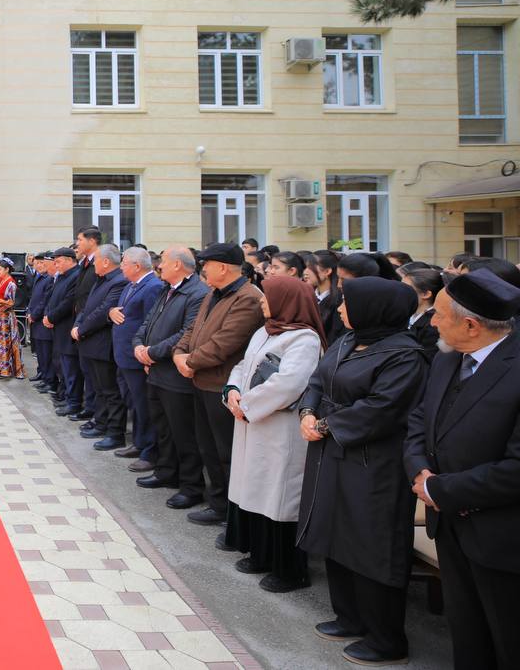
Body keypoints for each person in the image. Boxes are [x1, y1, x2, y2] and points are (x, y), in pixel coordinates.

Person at [296, 277, 427, 667]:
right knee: (336, 533)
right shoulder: (348, 341)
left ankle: (386, 638)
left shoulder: (405, 355)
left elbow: (382, 408)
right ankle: (348, 616)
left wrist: (323, 426)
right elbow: (317, 380)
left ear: (373, 309)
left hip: (373, 462)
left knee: (371, 543)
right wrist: (307, 411)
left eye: (347, 303)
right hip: (331, 454)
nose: (338, 309)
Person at [406, 270, 520, 670]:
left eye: (438, 315)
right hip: (450, 525)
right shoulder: (447, 359)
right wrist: (420, 471)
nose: (431, 322)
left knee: (507, 638)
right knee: (467, 633)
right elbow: (419, 421)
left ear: (470, 325)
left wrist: (441, 490)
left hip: (502, 537)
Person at [221, 276, 325, 593]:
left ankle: (289, 570)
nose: (262, 302)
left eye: (267, 297)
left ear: (287, 301)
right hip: (252, 421)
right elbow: (244, 365)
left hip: (279, 428)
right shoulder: (266, 330)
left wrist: (248, 405)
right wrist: (233, 391)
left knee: (278, 494)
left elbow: (289, 384)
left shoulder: (304, 340)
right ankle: (259, 554)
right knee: (254, 488)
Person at [172, 242, 266, 529]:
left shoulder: (247, 297)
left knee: (226, 451)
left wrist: (190, 362)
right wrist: (179, 353)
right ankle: (217, 503)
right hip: (202, 381)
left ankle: (231, 511)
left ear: (222, 267)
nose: (203, 270)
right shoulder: (213, 293)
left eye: (207, 265)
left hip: (223, 385)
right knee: (208, 447)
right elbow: (193, 330)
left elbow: (226, 342)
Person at [132, 247, 208, 505]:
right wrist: (139, 346)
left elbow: (187, 333)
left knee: (183, 433)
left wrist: (152, 352)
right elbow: (147, 322)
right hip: (156, 371)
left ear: (177, 265)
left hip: (176, 375)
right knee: (163, 427)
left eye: (163, 262)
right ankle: (166, 472)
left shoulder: (197, 293)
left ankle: (191, 486)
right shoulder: (168, 288)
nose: (158, 266)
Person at [110, 246, 165, 471]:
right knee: (134, 403)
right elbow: (123, 310)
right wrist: (111, 311)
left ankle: (150, 451)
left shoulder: (153, 286)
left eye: (124, 262)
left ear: (136, 265)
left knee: (144, 405)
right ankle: (139, 442)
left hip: (138, 357)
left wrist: (145, 354)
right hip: (124, 355)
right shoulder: (132, 285)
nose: (120, 266)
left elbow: (151, 324)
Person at [73, 244, 128, 449]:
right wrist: (78, 324)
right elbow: (88, 307)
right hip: (90, 341)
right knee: (99, 388)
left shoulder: (119, 281)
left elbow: (104, 311)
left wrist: (81, 329)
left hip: (103, 344)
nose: (93, 264)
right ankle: (101, 421)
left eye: (96, 260)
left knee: (110, 391)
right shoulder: (100, 279)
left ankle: (115, 432)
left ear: (106, 261)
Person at [62, 228, 103, 421]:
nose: (77, 243)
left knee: (96, 377)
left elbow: (95, 299)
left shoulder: (100, 263)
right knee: (86, 370)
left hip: (93, 326)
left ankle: (95, 412)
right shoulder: (85, 264)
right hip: (81, 323)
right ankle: (89, 408)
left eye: (79, 239)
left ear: (92, 241)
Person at [42, 248, 80, 410]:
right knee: (62, 366)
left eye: (58, 261)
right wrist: (48, 316)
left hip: (67, 328)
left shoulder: (75, 276)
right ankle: (65, 395)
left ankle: (73, 401)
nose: (55, 265)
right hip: (58, 328)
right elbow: (53, 300)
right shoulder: (63, 277)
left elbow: (68, 302)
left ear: (69, 260)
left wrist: (51, 317)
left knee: (71, 369)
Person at [27, 252, 57, 392]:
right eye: (37, 263)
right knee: (39, 351)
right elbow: (34, 298)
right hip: (35, 319)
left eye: (42, 263)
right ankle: (42, 374)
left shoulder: (48, 279)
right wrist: (29, 312)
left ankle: (49, 379)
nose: (40, 265)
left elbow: (44, 301)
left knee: (46, 352)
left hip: (41, 320)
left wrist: (34, 315)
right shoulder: (38, 277)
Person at [402, 268, 443, 361]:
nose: (400, 291)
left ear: (425, 294)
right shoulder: (410, 315)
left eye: (406, 288)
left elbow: (427, 358)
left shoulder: (432, 325)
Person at [306, 250, 346, 344]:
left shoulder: (340, 302)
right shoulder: (306, 297)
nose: (305, 272)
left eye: (309, 267)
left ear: (327, 271)